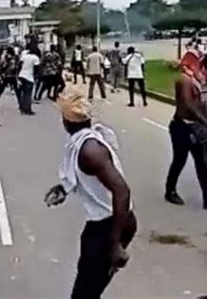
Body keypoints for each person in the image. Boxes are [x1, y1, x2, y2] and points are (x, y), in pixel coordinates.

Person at [45, 86, 137, 299]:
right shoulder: (83, 141)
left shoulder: (90, 151)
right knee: (88, 284)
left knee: (85, 291)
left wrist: (114, 244)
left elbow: (122, 191)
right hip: (104, 223)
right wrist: (63, 188)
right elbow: (88, 179)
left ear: (66, 121)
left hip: (110, 225)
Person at [165, 51, 207, 208]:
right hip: (181, 127)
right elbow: (188, 105)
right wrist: (206, 121)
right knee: (179, 160)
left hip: (195, 126)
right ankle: (170, 191)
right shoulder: (184, 79)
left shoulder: (198, 80)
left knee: (203, 163)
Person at [18, 46, 40, 115]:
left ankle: (22, 108)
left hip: (21, 75)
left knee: (23, 93)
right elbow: (37, 68)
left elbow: (19, 65)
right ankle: (27, 110)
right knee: (28, 94)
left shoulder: (24, 56)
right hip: (29, 77)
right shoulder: (35, 58)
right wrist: (36, 77)